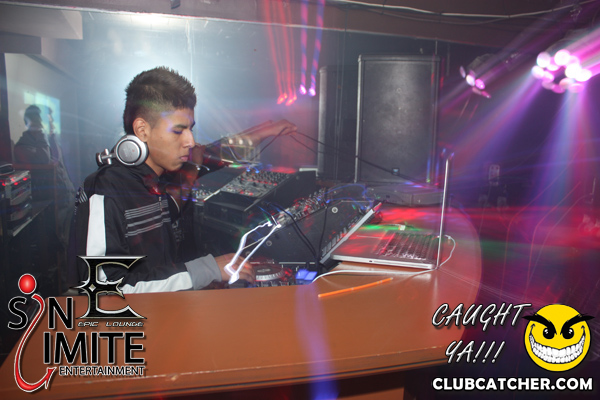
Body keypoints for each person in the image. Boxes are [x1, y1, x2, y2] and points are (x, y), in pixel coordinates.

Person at [74, 66, 296, 293]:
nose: (190, 141)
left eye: (190, 129)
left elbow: (218, 152)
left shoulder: (156, 179)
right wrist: (206, 270)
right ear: (142, 130)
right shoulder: (107, 190)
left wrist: (267, 130)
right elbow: (102, 288)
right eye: (178, 131)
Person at [14, 105, 76, 248]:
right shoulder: (22, 147)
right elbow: (44, 158)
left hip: (68, 199)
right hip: (52, 209)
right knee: (59, 248)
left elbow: (61, 167)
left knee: (70, 245)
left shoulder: (50, 141)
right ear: (35, 123)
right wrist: (41, 133)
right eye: (48, 122)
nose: (52, 125)